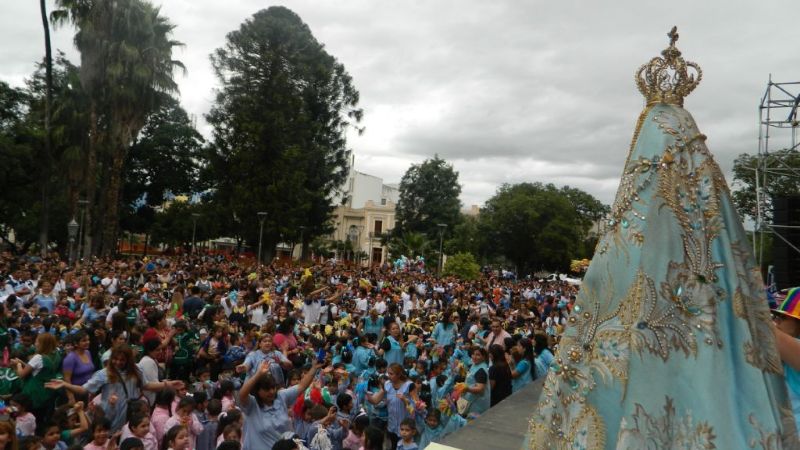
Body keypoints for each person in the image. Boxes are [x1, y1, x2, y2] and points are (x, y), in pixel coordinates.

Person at [45, 345, 183, 432]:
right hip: (110, 415)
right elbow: (83, 390)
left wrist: (169, 384)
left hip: (130, 415)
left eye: (122, 360)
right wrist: (65, 384)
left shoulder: (136, 370)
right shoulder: (104, 374)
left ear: (128, 360)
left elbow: (146, 385)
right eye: (115, 359)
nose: (118, 362)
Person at [238, 359, 322, 450]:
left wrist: (314, 368)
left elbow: (301, 386)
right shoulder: (252, 405)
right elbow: (242, 394)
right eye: (267, 389)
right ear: (258, 391)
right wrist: (258, 374)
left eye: (273, 387)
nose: (271, 392)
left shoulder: (281, 396)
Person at [13, 332, 61, 426]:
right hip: (46, 393)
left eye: (37, 341)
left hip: (33, 394)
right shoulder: (56, 356)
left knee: (29, 419)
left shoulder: (38, 357)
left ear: (42, 343)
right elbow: (37, 369)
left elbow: (22, 374)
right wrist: (23, 363)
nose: (35, 343)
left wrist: (18, 364)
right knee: (40, 419)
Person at [367, 363, 412, 449]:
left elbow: (414, 409)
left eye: (391, 374)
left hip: (405, 427)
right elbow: (375, 400)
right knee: (393, 445)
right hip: (392, 425)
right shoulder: (387, 384)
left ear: (399, 374)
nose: (389, 376)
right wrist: (369, 398)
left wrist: (405, 401)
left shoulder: (409, 386)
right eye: (388, 373)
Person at [461, 347, 490, 417]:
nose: (474, 357)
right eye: (473, 354)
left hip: (477, 403)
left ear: (483, 357)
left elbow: (480, 389)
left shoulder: (481, 370)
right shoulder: (475, 365)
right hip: (470, 399)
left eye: (478, 355)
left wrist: (467, 389)